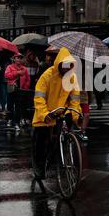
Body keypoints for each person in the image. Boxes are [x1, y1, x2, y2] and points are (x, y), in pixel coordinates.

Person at [32, 47, 81, 180]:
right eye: (64, 65)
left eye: (69, 65)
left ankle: (55, 159)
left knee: (59, 139)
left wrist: (76, 116)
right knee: (41, 142)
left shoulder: (72, 78)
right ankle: (39, 166)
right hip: (46, 113)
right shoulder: (48, 75)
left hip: (60, 113)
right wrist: (44, 113)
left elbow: (75, 99)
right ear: (59, 63)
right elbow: (39, 96)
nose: (66, 68)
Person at [5, 53, 30, 131]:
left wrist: (25, 87)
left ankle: (17, 123)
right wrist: (17, 73)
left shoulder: (24, 69)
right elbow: (7, 75)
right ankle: (10, 119)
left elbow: (28, 79)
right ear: (14, 59)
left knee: (18, 107)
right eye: (17, 58)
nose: (19, 59)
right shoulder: (9, 67)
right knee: (10, 105)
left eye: (20, 58)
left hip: (20, 90)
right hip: (11, 89)